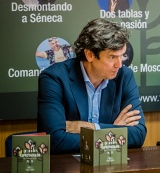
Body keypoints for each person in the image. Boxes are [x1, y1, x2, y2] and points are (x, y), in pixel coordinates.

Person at [37, 18, 147, 154]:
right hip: (67, 168)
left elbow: (138, 135)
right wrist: (114, 131)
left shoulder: (124, 76)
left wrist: (89, 127)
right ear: (90, 55)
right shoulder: (54, 78)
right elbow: (55, 140)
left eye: (121, 56)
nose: (119, 64)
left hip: (111, 165)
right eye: (112, 57)